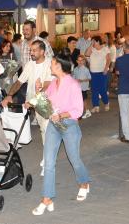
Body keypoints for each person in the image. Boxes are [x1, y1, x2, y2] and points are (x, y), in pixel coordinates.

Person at [32, 51, 91, 216]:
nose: (50, 65)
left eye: (52, 63)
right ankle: (47, 199)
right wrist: (36, 96)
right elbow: (47, 104)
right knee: (49, 163)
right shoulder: (53, 83)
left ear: (58, 66)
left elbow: (78, 110)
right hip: (54, 125)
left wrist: (61, 115)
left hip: (70, 125)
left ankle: (84, 183)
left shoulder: (73, 84)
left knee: (75, 160)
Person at [2, 39, 52, 139]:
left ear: (42, 52)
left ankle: (49, 153)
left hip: (44, 102)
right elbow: (19, 82)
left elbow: (47, 86)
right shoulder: (30, 64)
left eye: (34, 50)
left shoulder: (49, 64)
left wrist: (33, 102)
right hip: (31, 100)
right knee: (43, 129)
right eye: (30, 51)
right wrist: (9, 95)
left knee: (46, 129)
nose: (31, 53)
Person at [85, 35, 111, 113]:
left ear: (98, 41)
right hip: (93, 73)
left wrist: (106, 68)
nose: (93, 43)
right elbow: (86, 54)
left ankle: (106, 103)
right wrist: (90, 45)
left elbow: (108, 59)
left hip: (102, 72)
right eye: (92, 41)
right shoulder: (92, 49)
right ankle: (96, 106)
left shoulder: (105, 49)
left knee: (102, 89)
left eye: (94, 41)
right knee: (94, 90)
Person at [72, 55, 92, 119]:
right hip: (77, 88)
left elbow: (89, 78)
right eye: (79, 60)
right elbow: (73, 77)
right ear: (77, 61)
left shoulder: (86, 69)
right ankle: (80, 113)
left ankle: (87, 111)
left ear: (84, 61)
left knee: (84, 100)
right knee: (79, 100)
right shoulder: (75, 69)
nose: (80, 62)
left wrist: (82, 80)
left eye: (82, 60)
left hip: (83, 87)